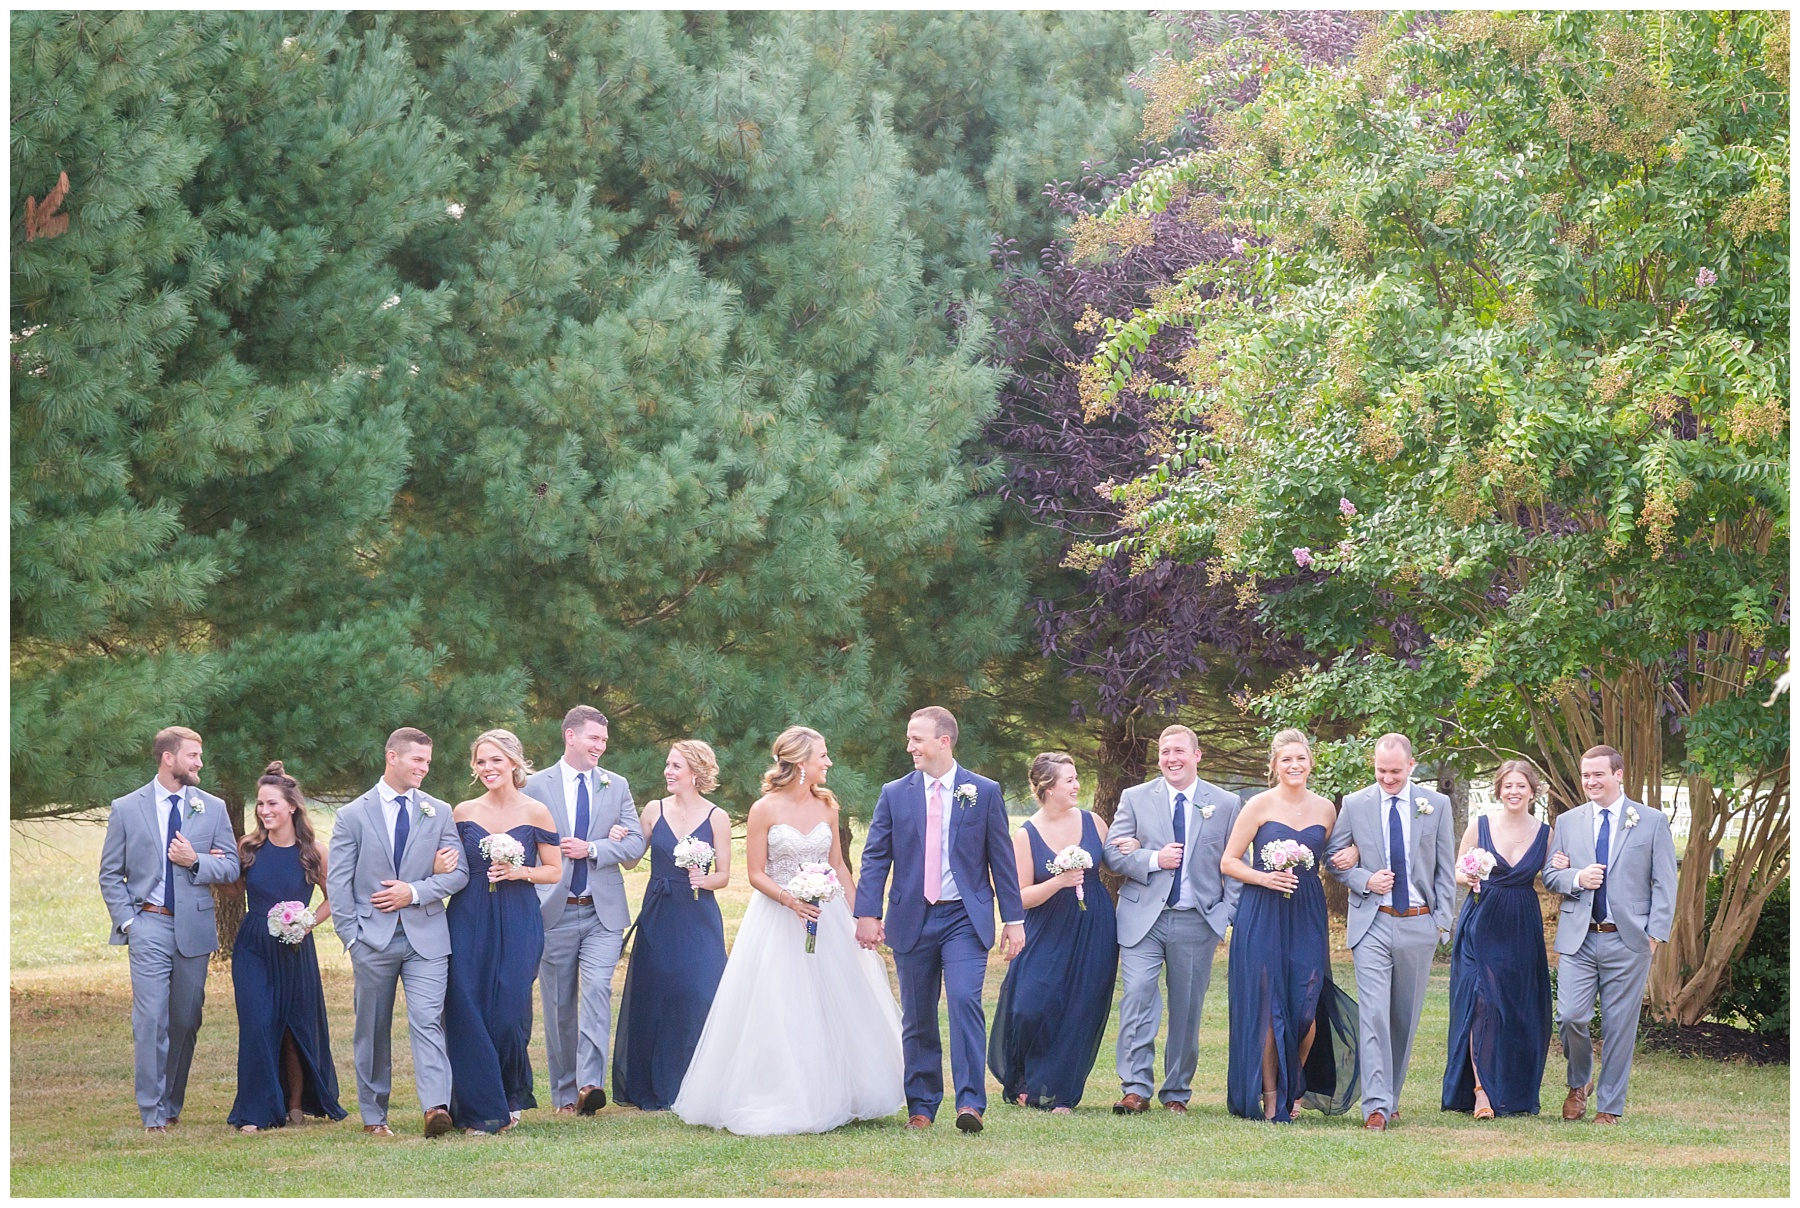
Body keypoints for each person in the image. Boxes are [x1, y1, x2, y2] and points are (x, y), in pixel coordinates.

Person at [673, 726, 904, 1135]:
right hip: (777, 918)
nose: (829, 763)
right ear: (801, 762)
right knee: (780, 1003)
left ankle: (840, 1090)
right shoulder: (764, 809)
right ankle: (780, 1092)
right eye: (823, 756)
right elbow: (756, 873)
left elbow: (839, 865)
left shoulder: (828, 807)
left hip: (825, 916)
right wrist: (790, 900)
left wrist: (862, 914)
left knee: (834, 1001)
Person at [855, 707, 1026, 1133]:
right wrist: (867, 912)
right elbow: (876, 856)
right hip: (912, 916)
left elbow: (1001, 860)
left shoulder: (982, 791)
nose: (909, 746)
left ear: (943, 741)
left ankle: (970, 1103)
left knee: (966, 1001)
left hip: (964, 917)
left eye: (917, 739)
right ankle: (922, 1106)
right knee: (917, 1014)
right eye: (909, 739)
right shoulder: (894, 792)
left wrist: (1014, 919)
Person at [98, 726, 242, 1132]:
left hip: (194, 928)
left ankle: (171, 1102)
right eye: (193, 755)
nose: (200, 763)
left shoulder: (212, 807)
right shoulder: (127, 807)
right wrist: (130, 922)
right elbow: (110, 874)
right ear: (168, 758)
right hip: (149, 924)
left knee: (185, 1018)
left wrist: (195, 859)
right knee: (151, 1019)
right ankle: (152, 1113)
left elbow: (231, 867)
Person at [326, 727, 468, 1138]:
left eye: (428, 761)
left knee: (428, 1020)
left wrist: (415, 891)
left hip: (427, 937)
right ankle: (374, 1116)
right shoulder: (352, 814)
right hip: (373, 939)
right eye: (417, 760)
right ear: (392, 757)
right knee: (372, 1029)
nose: (425, 767)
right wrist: (352, 937)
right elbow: (339, 883)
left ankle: (435, 1109)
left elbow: (459, 873)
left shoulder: (438, 811)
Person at [1220, 728, 1359, 1122]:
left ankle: (1293, 1082)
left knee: (1305, 1007)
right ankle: (1271, 1094)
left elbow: (1331, 858)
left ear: (1311, 763)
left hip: (1307, 911)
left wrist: (1355, 851)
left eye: (1301, 759)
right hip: (1262, 909)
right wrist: (1264, 877)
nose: (1294, 765)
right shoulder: (1258, 806)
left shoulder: (1326, 809)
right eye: (1286, 760)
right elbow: (1228, 861)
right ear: (1274, 766)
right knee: (1269, 1004)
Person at [1102, 725, 1242, 1114]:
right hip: (1141, 917)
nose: (1171, 758)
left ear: (1197, 756)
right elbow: (1112, 856)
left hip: (1197, 921)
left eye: (1179, 751)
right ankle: (1135, 1088)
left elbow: (1234, 865)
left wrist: (1225, 916)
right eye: (1165, 751)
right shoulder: (1135, 797)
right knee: (1137, 996)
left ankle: (1176, 1091)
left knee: (1187, 1008)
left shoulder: (1227, 803)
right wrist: (1151, 858)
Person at [1324, 733, 1455, 1131]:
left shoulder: (1436, 805)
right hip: (1372, 922)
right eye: (1381, 771)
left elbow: (1445, 869)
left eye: (1395, 771)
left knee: (1403, 1017)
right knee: (1375, 1014)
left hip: (1419, 921)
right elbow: (1334, 860)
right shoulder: (1356, 803)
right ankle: (1376, 1106)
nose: (1387, 778)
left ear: (1412, 766)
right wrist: (1364, 878)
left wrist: (1441, 923)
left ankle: (1391, 1096)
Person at [1542, 744, 1677, 1125]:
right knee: (1570, 1017)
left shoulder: (1650, 821)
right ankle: (1578, 1082)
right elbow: (1551, 875)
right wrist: (1576, 878)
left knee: (1620, 1026)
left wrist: (1654, 935)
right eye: (1586, 775)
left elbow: (1665, 882)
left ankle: (1609, 1106)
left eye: (1598, 774)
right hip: (1579, 939)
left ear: (1618, 775)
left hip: (1629, 940)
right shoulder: (1568, 822)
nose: (1590, 782)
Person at [525, 705, 645, 1116]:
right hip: (553, 911)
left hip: (602, 912)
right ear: (570, 736)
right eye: (594, 738)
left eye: (605, 741)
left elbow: (635, 846)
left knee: (596, 990)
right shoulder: (535, 786)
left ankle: (590, 1085)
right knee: (559, 1004)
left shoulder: (617, 785)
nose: (601, 746)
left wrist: (594, 848)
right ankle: (563, 1094)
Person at [444, 729, 563, 1134]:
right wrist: (439, 866)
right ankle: (478, 1108)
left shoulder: (536, 812)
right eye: (481, 761)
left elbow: (554, 870)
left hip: (518, 917)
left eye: (495, 760)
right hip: (468, 915)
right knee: (467, 1007)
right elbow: (451, 865)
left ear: (514, 762)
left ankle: (510, 1093)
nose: (488, 768)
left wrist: (520, 871)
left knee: (510, 1012)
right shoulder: (462, 811)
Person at [989, 752, 1118, 1112]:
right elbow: (1019, 896)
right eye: (1070, 780)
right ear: (1047, 788)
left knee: (1081, 1006)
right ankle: (1025, 1077)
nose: (1078, 785)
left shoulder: (1094, 821)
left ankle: (1062, 1091)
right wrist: (1059, 882)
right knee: (1031, 1005)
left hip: (1094, 925)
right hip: (1045, 928)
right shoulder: (1027, 834)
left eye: (1077, 778)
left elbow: (1114, 862)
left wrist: (1135, 849)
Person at [228, 761, 348, 1132]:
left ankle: (295, 1103)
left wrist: (308, 922)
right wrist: (205, 868)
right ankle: (255, 1111)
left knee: (294, 1030)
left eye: (272, 804)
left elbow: (334, 899)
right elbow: (233, 891)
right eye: (260, 805)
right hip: (252, 946)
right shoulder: (247, 847)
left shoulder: (314, 852)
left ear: (292, 806)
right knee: (258, 1024)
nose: (264, 812)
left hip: (296, 948)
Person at [613, 740, 730, 1111]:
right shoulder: (653, 809)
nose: (667, 771)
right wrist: (620, 839)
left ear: (695, 772)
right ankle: (653, 1084)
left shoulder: (717, 817)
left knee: (698, 991)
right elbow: (632, 862)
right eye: (667, 764)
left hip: (698, 914)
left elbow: (724, 875)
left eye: (675, 766)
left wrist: (702, 878)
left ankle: (699, 1080)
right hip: (659, 912)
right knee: (656, 992)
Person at [1441, 759, 1552, 1119]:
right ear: (1499, 790)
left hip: (1522, 925)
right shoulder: (1480, 825)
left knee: (1516, 1008)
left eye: (1521, 785)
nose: (1514, 792)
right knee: (1482, 1002)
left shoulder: (1546, 832)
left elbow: (1552, 875)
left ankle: (1513, 1089)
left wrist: (1565, 865)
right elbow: (1458, 869)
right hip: (1482, 920)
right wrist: (1469, 876)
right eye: (1508, 785)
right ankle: (1480, 1091)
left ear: (1532, 791)